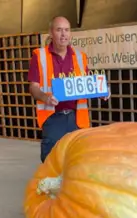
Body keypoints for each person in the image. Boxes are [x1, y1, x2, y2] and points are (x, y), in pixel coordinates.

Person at [27, 16, 108, 163]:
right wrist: (45, 98)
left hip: (77, 118)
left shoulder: (79, 57)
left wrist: (102, 92)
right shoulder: (39, 56)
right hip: (52, 117)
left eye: (66, 30)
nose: (63, 34)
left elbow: (87, 83)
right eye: (59, 30)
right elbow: (33, 87)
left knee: (79, 160)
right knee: (52, 161)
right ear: (51, 33)